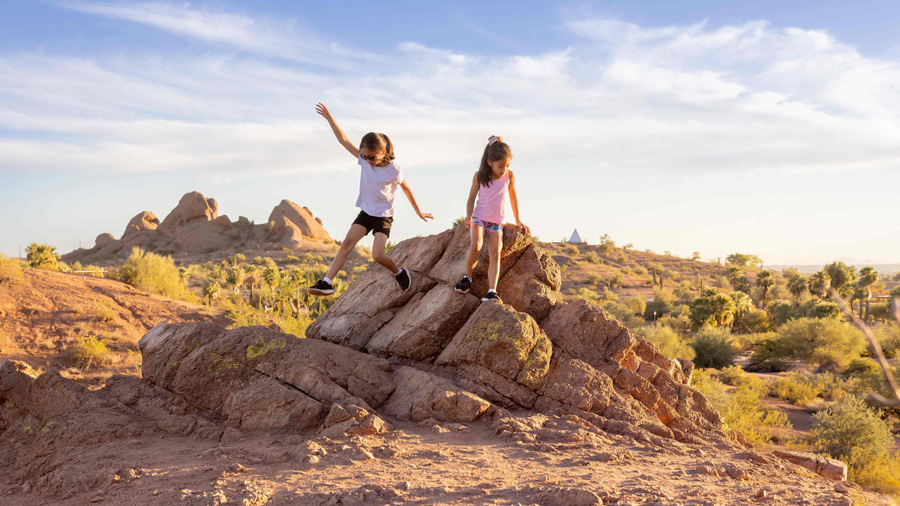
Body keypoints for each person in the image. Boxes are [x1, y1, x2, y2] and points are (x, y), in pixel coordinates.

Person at [308, 103, 433, 296]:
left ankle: (399, 272)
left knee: (377, 255)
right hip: (366, 213)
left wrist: (418, 211)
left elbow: (406, 188)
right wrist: (329, 117)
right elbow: (343, 140)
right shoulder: (364, 160)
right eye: (364, 157)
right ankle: (327, 282)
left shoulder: (394, 170)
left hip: (383, 216)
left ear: (382, 151)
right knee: (346, 244)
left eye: (371, 157)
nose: (367, 161)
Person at [454, 136, 529, 302]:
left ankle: (491, 291)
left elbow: (513, 198)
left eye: (507, 165)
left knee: (495, 254)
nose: (504, 169)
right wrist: (468, 216)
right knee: (476, 244)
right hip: (479, 218)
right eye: (500, 166)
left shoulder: (509, 176)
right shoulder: (479, 176)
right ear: (489, 162)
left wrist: (518, 220)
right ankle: (466, 278)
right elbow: (471, 199)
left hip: (496, 222)